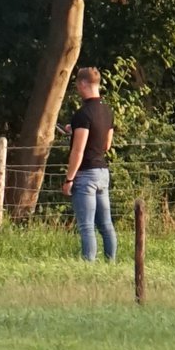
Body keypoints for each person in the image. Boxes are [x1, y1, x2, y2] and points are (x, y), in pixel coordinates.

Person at [60, 66, 117, 262]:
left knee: (86, 226)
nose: (77, 88)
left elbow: (78, 151)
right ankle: (111, 263)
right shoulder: (107, 111)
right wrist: (73, 130)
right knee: (106, 224)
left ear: (83, 84)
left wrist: (69, 179)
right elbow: (107, 144)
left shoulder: (83, 114)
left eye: (77, 84)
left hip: (86, 175)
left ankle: (88, 266)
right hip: (103, 172)